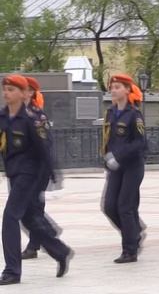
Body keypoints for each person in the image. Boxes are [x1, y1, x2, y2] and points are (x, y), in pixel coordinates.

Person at [0, 75, 73, 285]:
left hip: (31, 174)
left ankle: (12, 271)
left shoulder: (32, 118)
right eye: (5, 89)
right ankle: (61, 252)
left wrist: (54, 175)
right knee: (29, 218)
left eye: (12, 89)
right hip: (14, 172)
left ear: (24, 93)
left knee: (10, 217)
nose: (7, 93)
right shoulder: (3, 117)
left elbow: (44, 149)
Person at [101, 74, 147, 264]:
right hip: (115, 166)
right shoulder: (111, 112)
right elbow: (108, 139)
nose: (113, 90)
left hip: (132, 166)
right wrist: (107, 157)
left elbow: (141, 143)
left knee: (125, 207)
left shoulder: (134, 114)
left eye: (118, 87)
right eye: (112, 87)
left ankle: (130, 250)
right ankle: (134, 234)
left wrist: (118, 155)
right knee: (110, 206)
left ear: (128, 90)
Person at [20, 77, 55, 260]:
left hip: (37, 169)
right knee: (26, 207)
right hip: (21, 169)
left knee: (32, 207)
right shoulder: (15, 113)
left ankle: (36, 244)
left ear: (31, 92)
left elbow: (46, 144)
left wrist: (48, 171)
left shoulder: (37, 116)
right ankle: (47, 233)